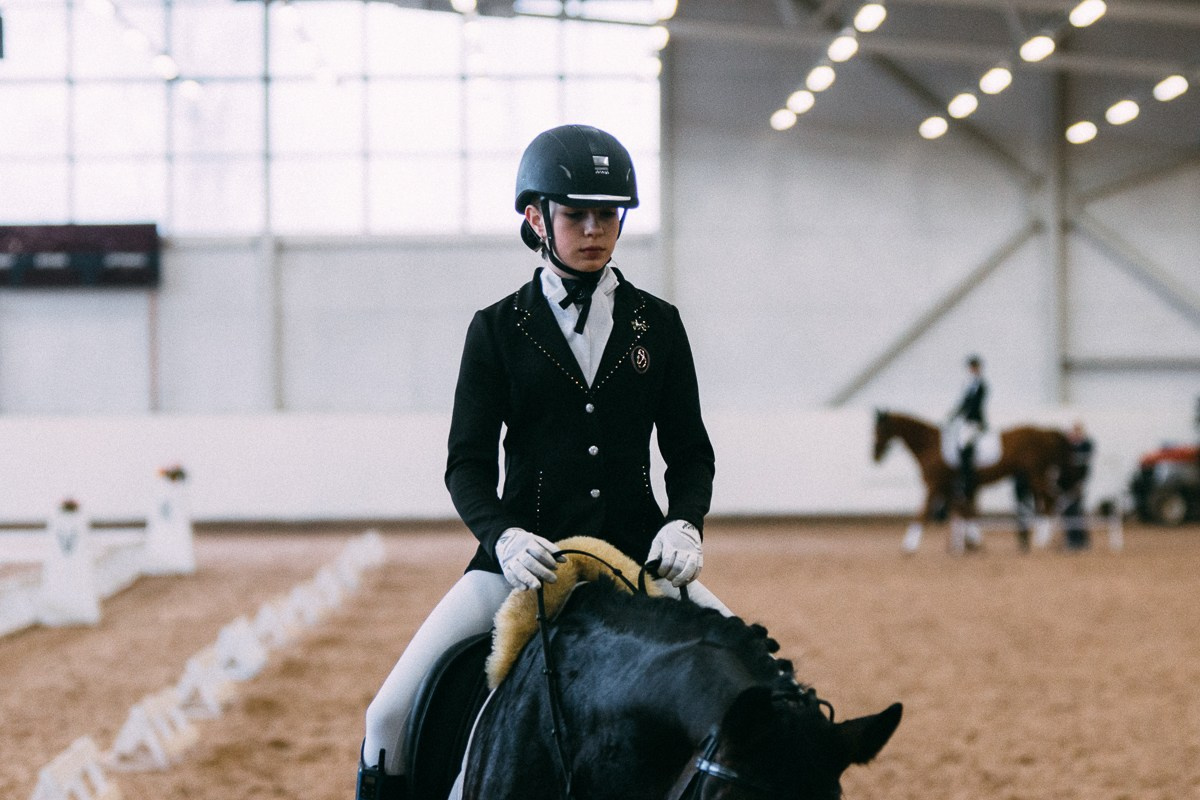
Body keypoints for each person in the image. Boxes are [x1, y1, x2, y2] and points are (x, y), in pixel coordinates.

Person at [355, 124, 726, 800]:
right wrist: (502, 536)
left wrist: (685, 523)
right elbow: (465, 464)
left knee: (757, 693)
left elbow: (689, 450)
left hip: (637, 559)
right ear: (535, 217)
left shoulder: (659, 324)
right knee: (387, 714)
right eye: (575, 214)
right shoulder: (496, 328)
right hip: (525, 562)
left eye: (607, 214)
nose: (594, 230)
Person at [948, 354, 988, 500]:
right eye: (971, 367)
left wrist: (964, 414)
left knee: (964, 445)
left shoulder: (981, 385)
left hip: (975, 422)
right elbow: (963, 403)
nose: (973, 369)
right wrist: (952, 416)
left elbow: (974, 406)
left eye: (975, 367)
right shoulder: (969, 385)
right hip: (966, 422)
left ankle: (966, 479)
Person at [1061, 420, 1094, 550]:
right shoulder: (1068, 446)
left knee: (1077, 511)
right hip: (1067, 484)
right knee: (1069, 512)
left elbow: (1085, 464)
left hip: (1079, 483)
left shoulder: (1086, 445)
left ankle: (1081, 540)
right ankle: (1072, 539)